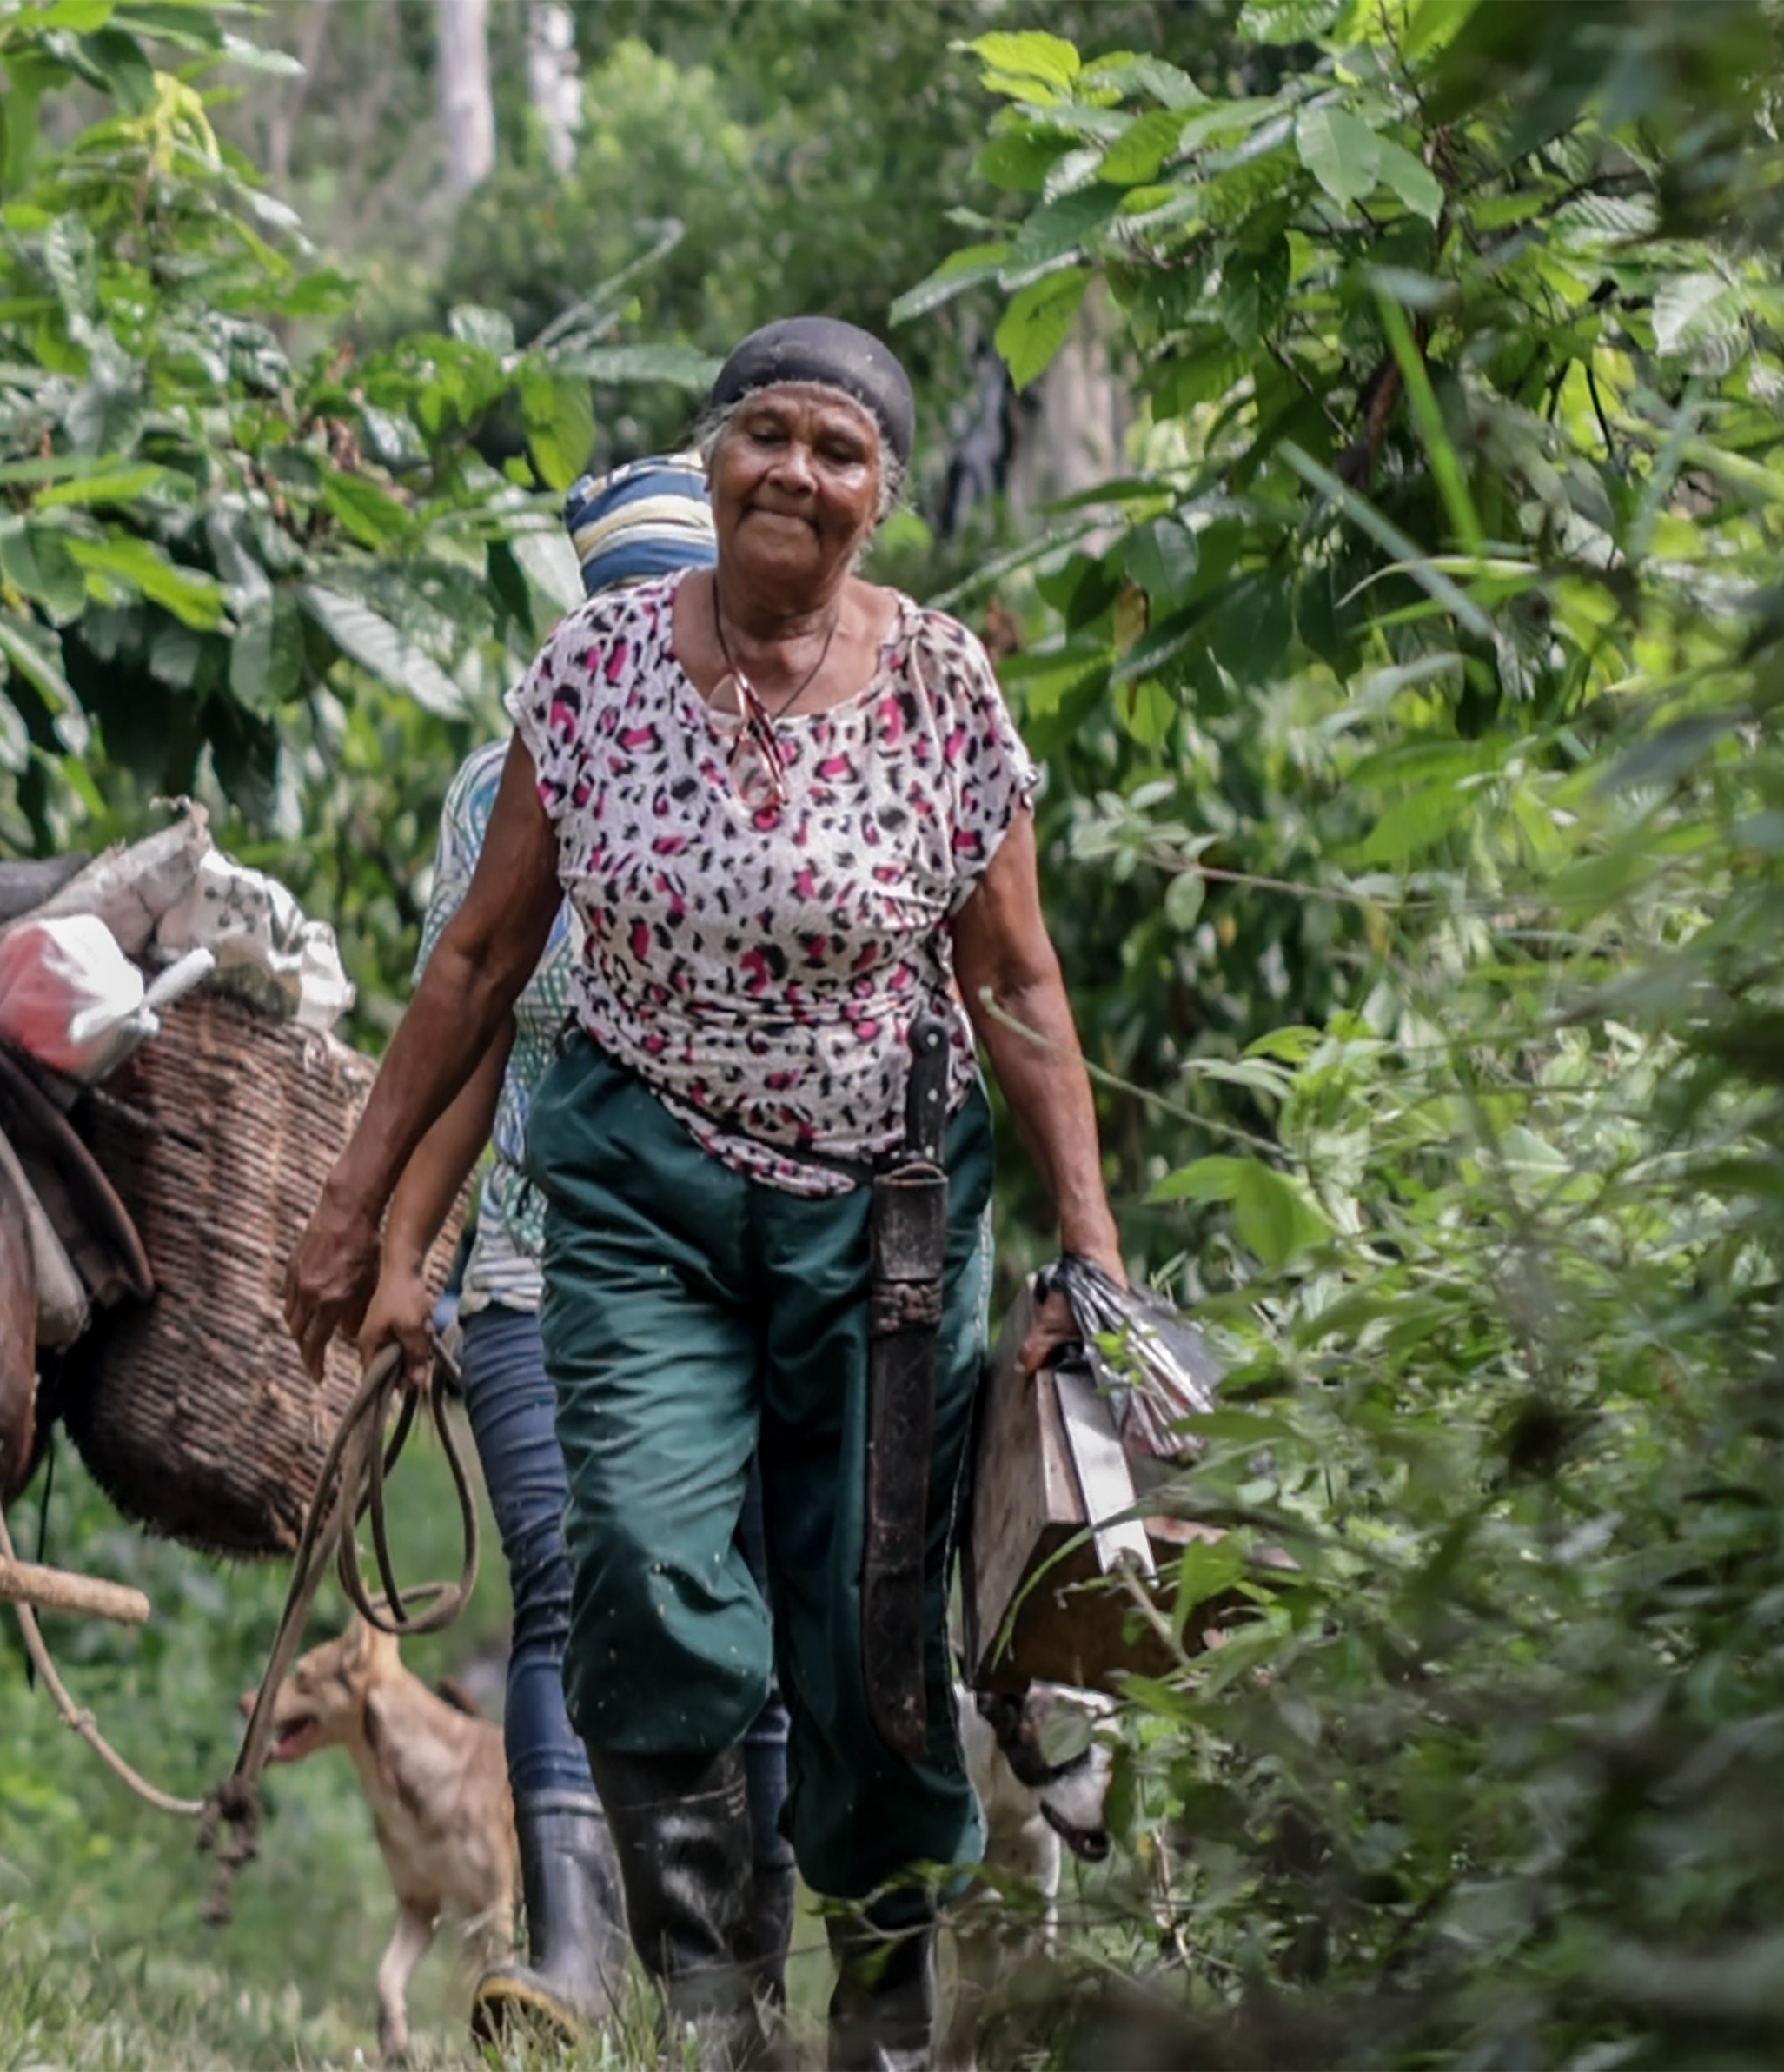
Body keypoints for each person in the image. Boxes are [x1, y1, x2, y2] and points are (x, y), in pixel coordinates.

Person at [289, 317, 1124, 2071]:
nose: (795, 476)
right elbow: (480, 958)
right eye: (766, 436)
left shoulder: (943, 688)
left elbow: (1019, 990)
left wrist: (1090, 1263)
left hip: (888, 1221)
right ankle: (714, 1999)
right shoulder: (589, 676)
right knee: (650, 1573)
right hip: (643, 1193)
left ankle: (882, 2008)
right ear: (711, 453)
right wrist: (355, 1207)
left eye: (837, 451)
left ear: (877, 496)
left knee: (869, 1621)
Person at [367, 454, 799, 2049]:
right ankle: (568, 1953)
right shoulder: (502, 790)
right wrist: (404, 1253)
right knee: (567, 1587)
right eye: (618, 622)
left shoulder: (796, 785)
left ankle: (735, 1976)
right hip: (540, 1263)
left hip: (749, 1275)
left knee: (734, 1603)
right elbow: (452, 1022)